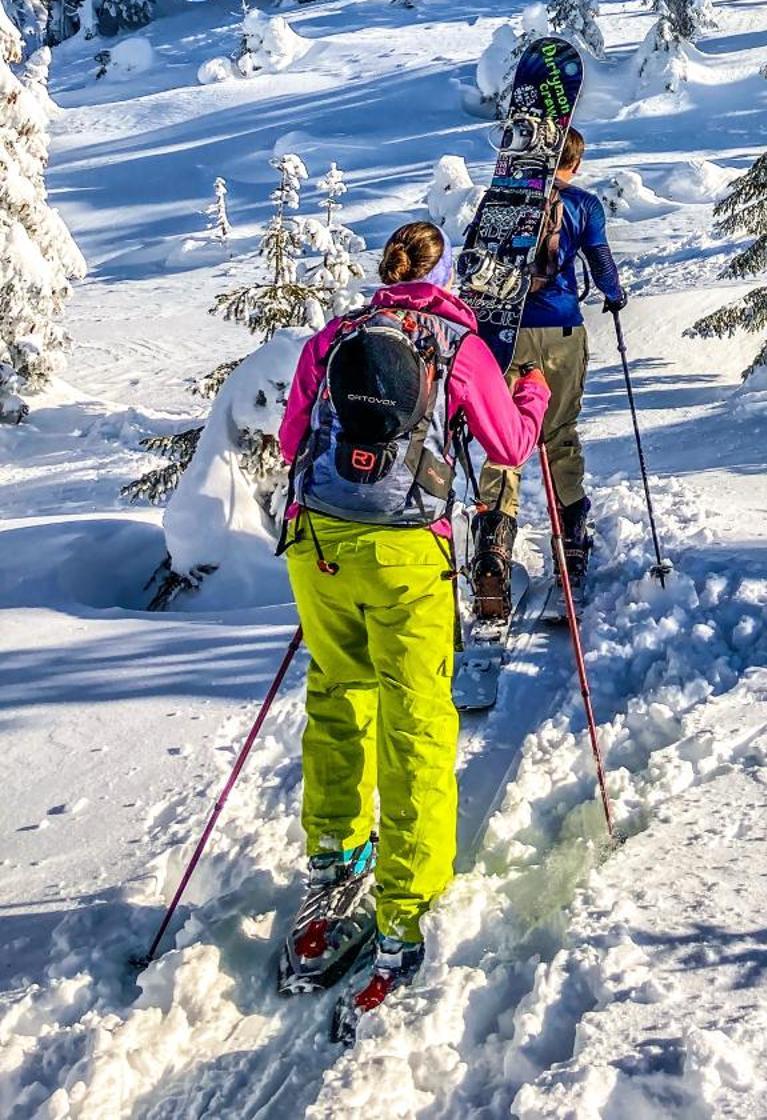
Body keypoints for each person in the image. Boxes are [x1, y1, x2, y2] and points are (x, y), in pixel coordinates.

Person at [278, 219, 550, 1012]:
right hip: (405, 551)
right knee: (418, 720)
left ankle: (332, 856)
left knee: (336, 694)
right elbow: (507, 447)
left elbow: (295, 436)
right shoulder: (457, 345)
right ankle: (403, 903)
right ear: (443, 280)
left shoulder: (334, 338)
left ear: (384, 274)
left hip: (319, 542)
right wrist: (530, 388)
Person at [471, 126, 624, 609]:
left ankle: (493, 549)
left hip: (505, 333)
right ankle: (572, 544)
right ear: (575, 163)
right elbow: (600, 260)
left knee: (503, 439)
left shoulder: (502, 200)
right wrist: (615, 296)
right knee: (558, 434)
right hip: (561, 330)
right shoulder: (582, 204)